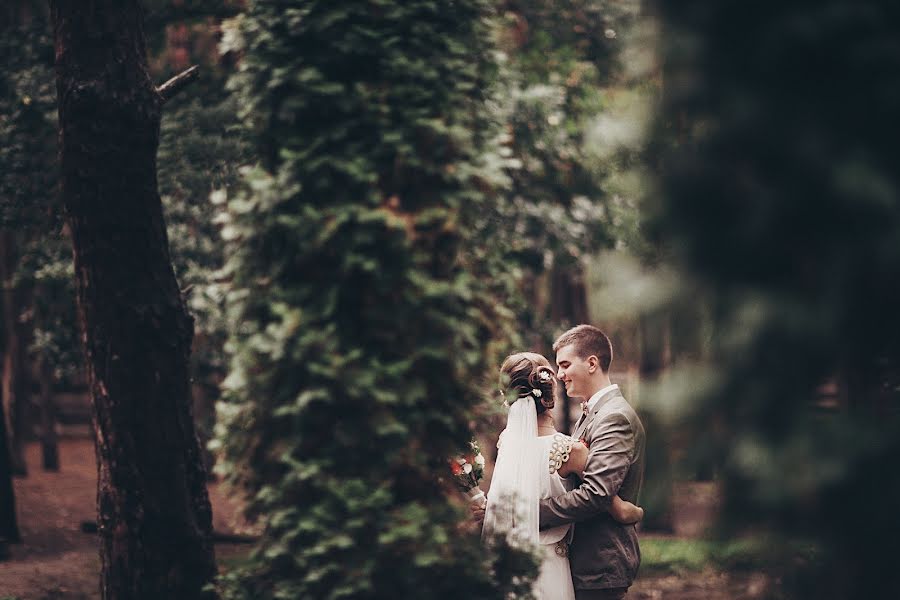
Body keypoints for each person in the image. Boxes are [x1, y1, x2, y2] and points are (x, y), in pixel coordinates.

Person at [480, 352, 643, 600]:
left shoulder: (506, 444)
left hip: (512, 564)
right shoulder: (571, 450)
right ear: (549, 392)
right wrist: (637, 512)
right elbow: (609, 501)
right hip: (552, 565)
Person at [540, 325, 646, 600]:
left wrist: (534, 514)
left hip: (600, 564)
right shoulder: (592, 414)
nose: (559, 374)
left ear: (591, 363)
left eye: (565, 365)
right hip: (586, 563)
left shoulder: (614, 417)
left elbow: (596, 494)